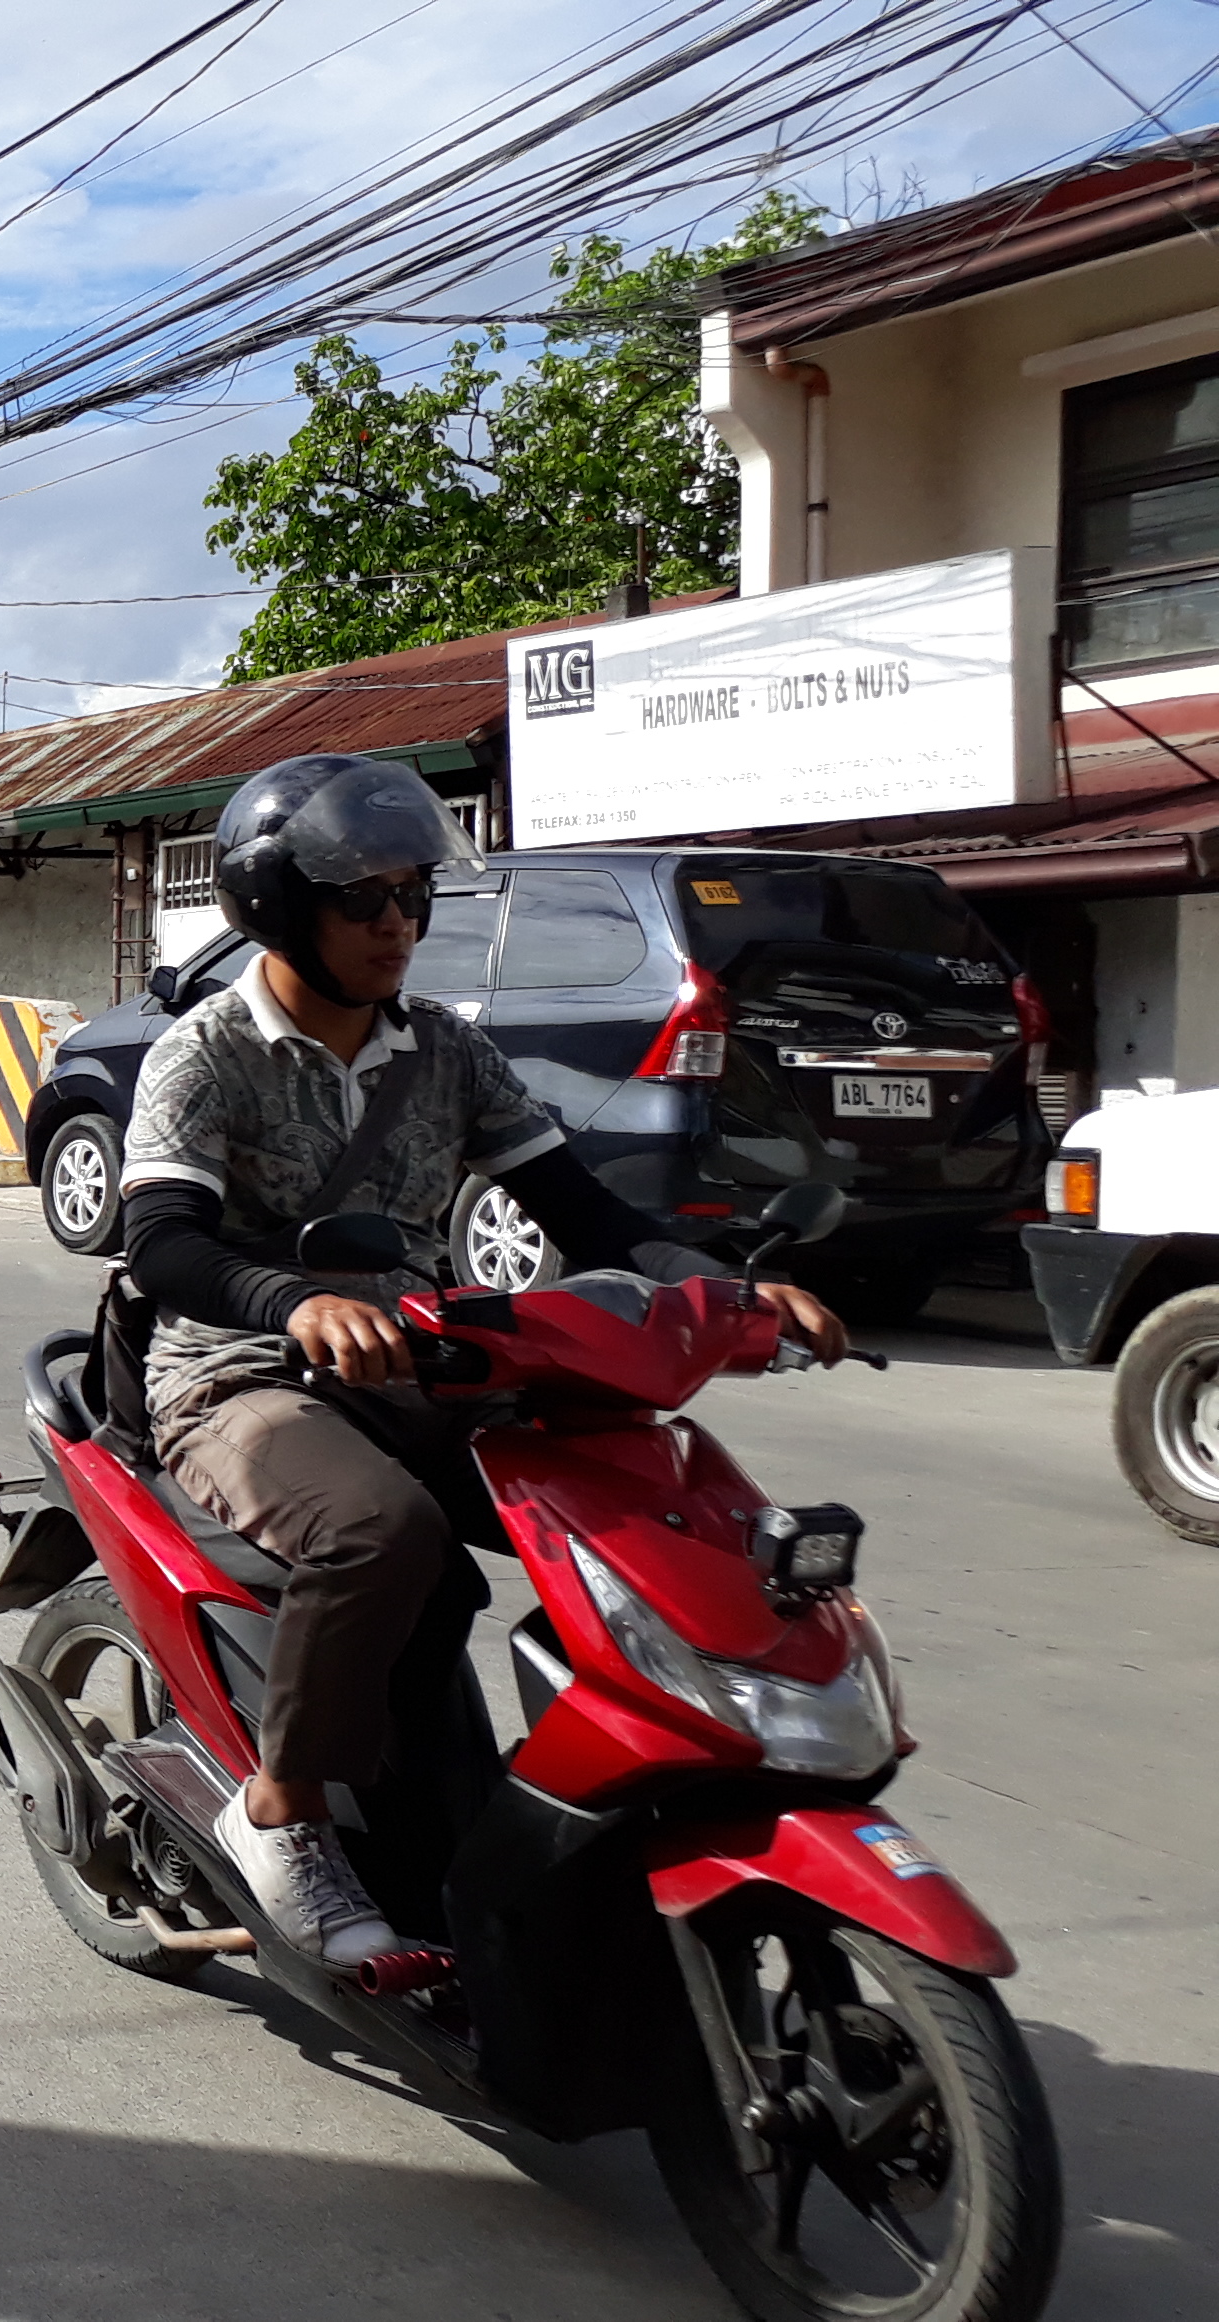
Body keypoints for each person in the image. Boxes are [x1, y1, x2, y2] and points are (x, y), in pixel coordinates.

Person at [117, 755, 848, 1966]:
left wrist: (728, 1291)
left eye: (413, 897)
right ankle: (281, 1812)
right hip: (235, 1376)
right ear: (278, 905)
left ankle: (614, 1788)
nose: (398, 924)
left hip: (419, 1365)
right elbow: (161, 1243)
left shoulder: (445, 1051)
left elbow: (586, 1211)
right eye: (365, 899)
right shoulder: (207, 1054)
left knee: (642, 1510)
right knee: (382, 1532)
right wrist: (295, 1302)